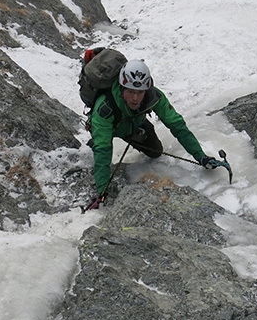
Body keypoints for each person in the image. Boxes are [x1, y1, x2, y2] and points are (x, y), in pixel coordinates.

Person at [86, 59, 223, 209]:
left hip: (133, 126)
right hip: (109, 126)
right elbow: (104, 150)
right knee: (101, 147)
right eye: (130, 91)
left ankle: (132, 133)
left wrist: (201, 156)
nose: (135, 98)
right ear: (122, 87)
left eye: (140, 93)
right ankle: (96, 139)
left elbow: (177, 125)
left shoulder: (154, 97)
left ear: (147, 89)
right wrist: (102, 192)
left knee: (156, 151)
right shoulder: (105, 108)